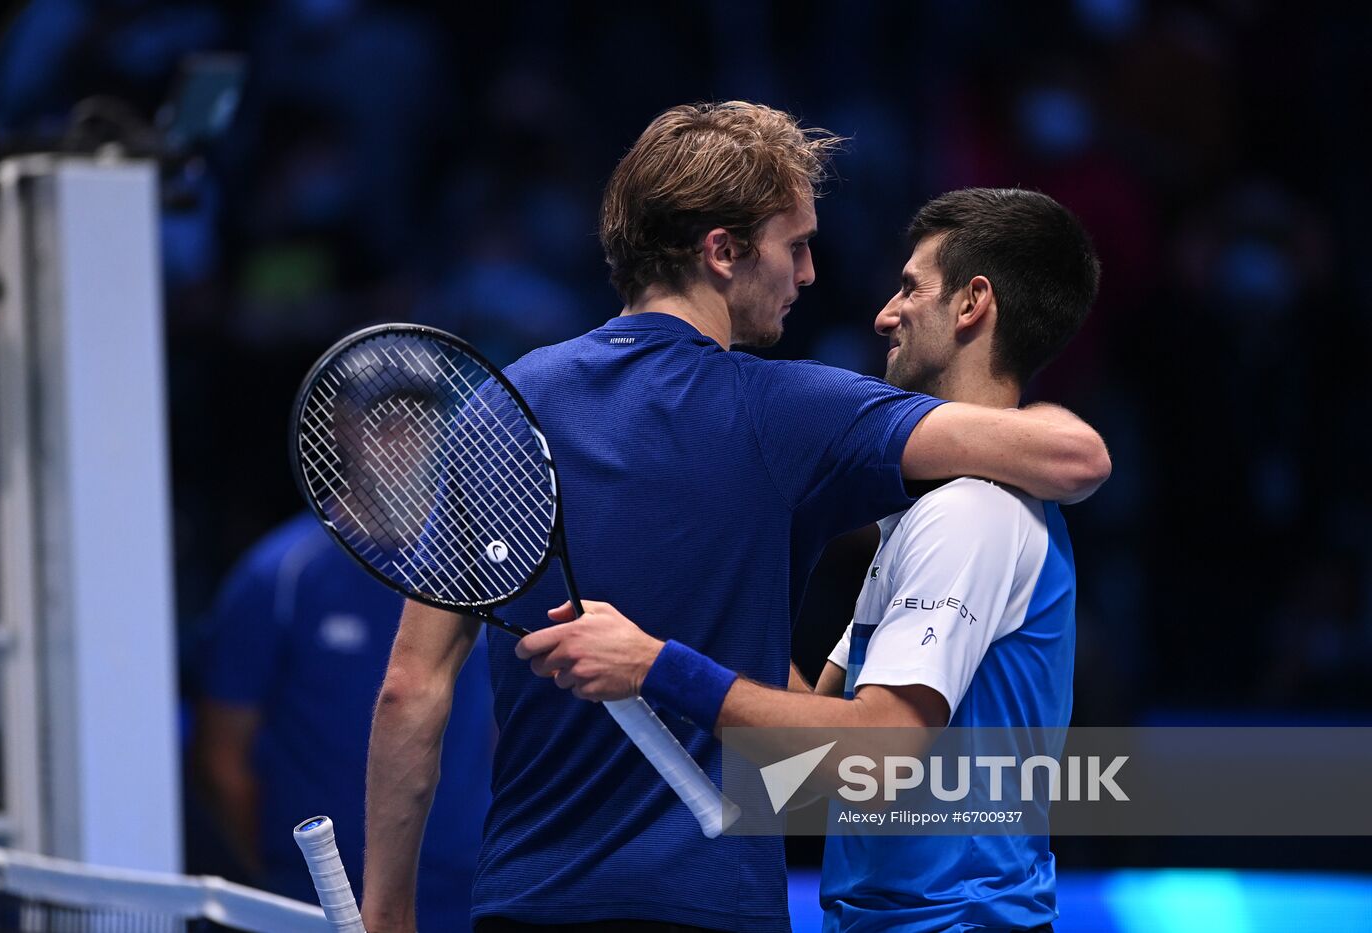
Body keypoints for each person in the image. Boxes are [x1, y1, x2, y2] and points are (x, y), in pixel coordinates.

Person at [363, 103, 1109, 933]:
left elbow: (410, 688)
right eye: (795, 245)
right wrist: (671, 664)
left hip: (525, 903)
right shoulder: (788, 410)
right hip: (714, 910)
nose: (811, 274)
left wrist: (387, 908)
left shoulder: (501, 408)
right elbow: (1075, 457)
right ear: (723, 252)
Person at [194, 513, 493, 932]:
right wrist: (273, 879)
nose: (404, 444)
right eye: (387, 438)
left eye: (420, 438)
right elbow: (222, 758)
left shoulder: (493, 569)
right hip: (310, 897)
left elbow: (508, 728)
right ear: (336, 440)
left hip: (473, 896)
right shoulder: (277, 576)